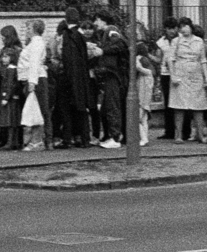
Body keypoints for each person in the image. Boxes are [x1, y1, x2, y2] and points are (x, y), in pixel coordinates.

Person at [167, 18, 207, 143]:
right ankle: (178, 135)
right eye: (181, 27)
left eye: (186, 26)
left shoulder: (199, 41)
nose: (183, 29)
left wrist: (206, 77)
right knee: (179, 105)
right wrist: (173, 75)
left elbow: (203, 60)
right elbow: (170, 58)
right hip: (181, 73)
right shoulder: (176, 41)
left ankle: (200, 134)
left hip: (196, 74)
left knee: (198, 105)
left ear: (191, 27)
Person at [89, 12, 128, 148]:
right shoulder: (109, 32)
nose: (95, 24)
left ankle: (115, 137)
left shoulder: (111, 30)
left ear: (102, 20)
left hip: (113, 74)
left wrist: (102, 51)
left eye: (97, 20)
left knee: (112, 106)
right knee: (107, 108)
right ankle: (115, 135)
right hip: (113, 74)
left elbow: (120, 45)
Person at [55, 10, 91, 148]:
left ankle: (67, 138)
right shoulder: (80, 35)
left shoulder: (67, 35)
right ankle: (84, 138)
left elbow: (68, 57)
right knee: (80, 108)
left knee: (65, 108)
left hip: (69, 77)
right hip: (81, 76)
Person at [18, 20, 49, 150]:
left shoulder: (36, 43)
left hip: (36, 80)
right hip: (35, 79)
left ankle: (37, 141)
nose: (27, 30)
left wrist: (32, 82)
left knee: (36, 110)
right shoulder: (34, 43)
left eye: (29, 28)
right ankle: (36, 140)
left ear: (35, 29)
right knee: (34, 110)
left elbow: (34, 63)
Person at [0, 25, 24, 150]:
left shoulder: (16, 50)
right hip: (4, 84)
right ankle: (4, 139)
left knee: (14, 116)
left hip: (13, 87)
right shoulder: (6, 49)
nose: (2, 39)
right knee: (6, 115)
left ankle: (15, 140)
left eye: (4, 37)